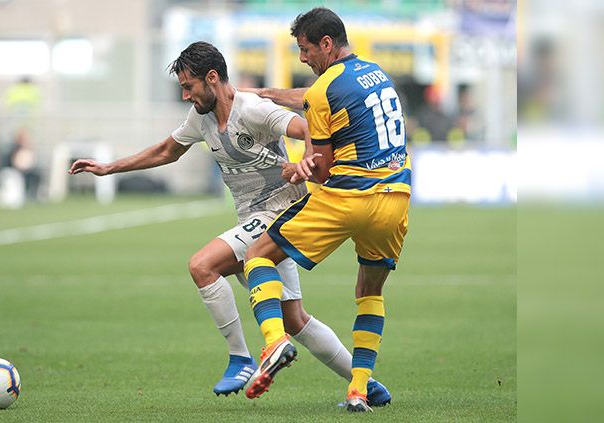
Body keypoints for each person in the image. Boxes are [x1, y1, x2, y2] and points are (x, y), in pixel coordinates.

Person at [69, 41, 391, 403]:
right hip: (252, 216)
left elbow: (306, 127)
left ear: (212, 78)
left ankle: (240, 357)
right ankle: (366, 386)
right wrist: (109, 167)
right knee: (294, 320)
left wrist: (307, 162)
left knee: (202, 266)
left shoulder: (252, 109)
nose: (185, 94)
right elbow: (166, 151)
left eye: (188, 86)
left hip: (280, 212)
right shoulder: (201, 119)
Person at [241, 8, 411, 413]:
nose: (302, 58)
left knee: (257, 255)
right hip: (396, 197)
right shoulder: (373, 72)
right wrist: (267, 95)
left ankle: (274, 341)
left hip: (349, 197)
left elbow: (321, 168)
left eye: (304, 49)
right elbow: (317, 97)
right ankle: (358, 390)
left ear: (326, 45)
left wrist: (295, 170)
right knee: (369, 292)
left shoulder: (321, 92)